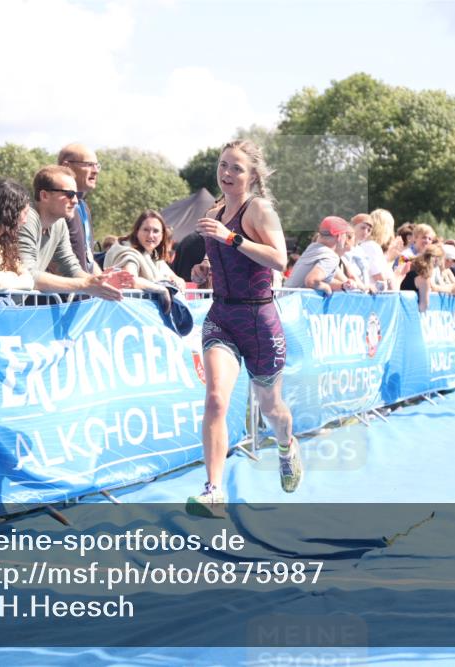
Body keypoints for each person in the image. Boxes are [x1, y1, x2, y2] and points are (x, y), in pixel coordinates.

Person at [187, 140, 300, 517]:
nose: (227, 173)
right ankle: (214, 490)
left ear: (252, 174)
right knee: (216, 398)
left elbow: (278, 258)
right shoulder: (215, 210)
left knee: (272, 408)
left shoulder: (259, 209)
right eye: (222, 165)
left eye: (236, 167)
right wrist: (205, 267)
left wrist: (230, 237)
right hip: (222, 316)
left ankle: (286, 446)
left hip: (259, 318)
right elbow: (221, 256)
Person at [19, 165, 133, 300]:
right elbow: (26, 274)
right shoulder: (27, 219)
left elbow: (70, 267)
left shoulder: (59, 224)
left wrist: (100, 281)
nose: (75, 201)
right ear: (44, 195)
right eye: (69, 194)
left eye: (76, 195)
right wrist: (85, 284)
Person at [103, 210, 186, 311]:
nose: (150, 235)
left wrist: (178, 281)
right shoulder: (127, 252)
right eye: (146, 230)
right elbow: (129, 280)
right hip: (124, 314)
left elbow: (173, 276)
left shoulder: (152, 255)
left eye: (155, 231)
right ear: (137, 231)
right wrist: (161, 290)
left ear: (162, 235)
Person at [58, 143, 102, 274]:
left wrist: (105, 280)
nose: (96, 170)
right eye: (89, 164)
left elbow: (87, 259)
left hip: (84, 291)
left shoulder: (83, 206)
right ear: (66, 166)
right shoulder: (57, 206)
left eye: (97, 165)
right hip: (65, 292)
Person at [283, 216, 355, 294]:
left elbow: (324, 280)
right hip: (296, 303)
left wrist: (343, 285)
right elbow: (312, 281)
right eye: (345, 235)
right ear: (340, 237)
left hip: (284, 299)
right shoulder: (331, 256)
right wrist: (326, 288)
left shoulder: (312, 249)